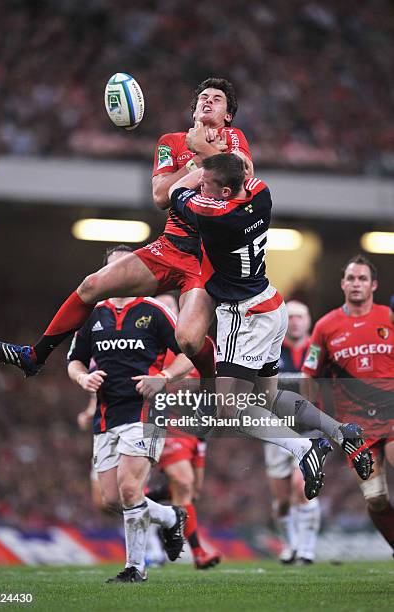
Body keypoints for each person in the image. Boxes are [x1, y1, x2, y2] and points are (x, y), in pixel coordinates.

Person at [0, 78, 252, 386]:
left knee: (190, 343)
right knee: (91, 286)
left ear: (228, 115)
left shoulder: (234, 137)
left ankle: (211, 384)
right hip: (169, 248)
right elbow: (159, 196)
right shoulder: (171, 142)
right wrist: (199, 157)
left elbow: (243, 177)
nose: (208, 101)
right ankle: (35, 357)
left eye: (217, 99)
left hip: (206, 258)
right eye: (203, 97)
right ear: (193, 109)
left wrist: (204, 148)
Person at [164, 152, 373, 500]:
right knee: (268, 397)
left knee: (230, 410)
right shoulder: (261, 194)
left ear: (226, 193)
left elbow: (173, 195)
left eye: (209, 185)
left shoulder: (215, 215)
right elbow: (245, 172)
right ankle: (342, 432)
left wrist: (192, 166)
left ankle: (304, 449)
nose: (203, 186)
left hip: (244, 316)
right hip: (271, 304)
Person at [67, 245, 193, 583]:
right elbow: (74, 360)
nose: (119, 273)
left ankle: (135, 568)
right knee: (111, 499)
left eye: (126, 266)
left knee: (128, 489)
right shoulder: (93, 315)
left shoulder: (153, 311)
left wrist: (163, 378)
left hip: (147, 414)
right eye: (112, 268)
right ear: (104, 275)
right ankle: (169, 517)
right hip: (106, 417)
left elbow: (190, 353)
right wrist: (83, 377)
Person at [301, 255, 394, 556]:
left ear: (374, 285)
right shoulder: (326, 326)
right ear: (343, 284)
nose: (356, 284)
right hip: (355, 430)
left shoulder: (389, 317)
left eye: (362, 278)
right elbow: (309, 376)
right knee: (375, 497)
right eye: (351, 278)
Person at [151, 293, 221, 569]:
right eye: (161, 308)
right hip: (168, 426)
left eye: (172, 308)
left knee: (192, 490)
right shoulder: (154, 349)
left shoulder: (200, 345)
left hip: (197, 432)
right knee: (184, 482)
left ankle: (150, 500)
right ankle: (199, 553)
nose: (167, 313)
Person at [263, 301, 320, 564]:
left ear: (308, 321)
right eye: (292, 317)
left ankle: (307, 549)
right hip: (277, 432)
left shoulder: (319, 350)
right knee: (282, 500)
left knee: (302, 487)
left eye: (300, 317)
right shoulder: (271, 349)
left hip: (309, 432)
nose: (296, 321)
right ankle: (290, 545)